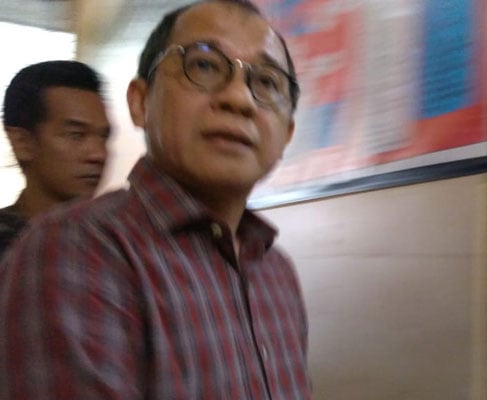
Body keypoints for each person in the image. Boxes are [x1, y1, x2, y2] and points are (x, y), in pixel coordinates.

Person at [0, 1, 310, 399]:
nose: (239, 98)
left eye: (267, 82)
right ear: (141, 102)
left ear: (286, 135)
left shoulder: (278, 273)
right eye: (204, 65)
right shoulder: (74, 248)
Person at [0, 60, 110, 258]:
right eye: (76, 135)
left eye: (104, 137)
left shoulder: (115, 245)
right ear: (22, 142)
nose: (99, 154)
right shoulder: (10, 248)